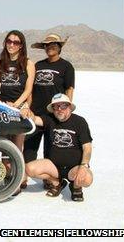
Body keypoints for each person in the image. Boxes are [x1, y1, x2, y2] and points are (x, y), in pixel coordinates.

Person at [23, 34, 74, 189]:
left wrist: (68, 109)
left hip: (55, 114)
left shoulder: (66, 66)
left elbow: (69, 89)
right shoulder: (37, 65)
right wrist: (27, 106)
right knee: (30, 145)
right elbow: (30, 88)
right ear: (44, 48)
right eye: (47, 45)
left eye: (54, 44)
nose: (50, 47)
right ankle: (23, 177)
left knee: (51, 148)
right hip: (36, 113)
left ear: (59, 47)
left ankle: (49, 178)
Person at [21, 93, 93, 201]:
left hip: (74, 168)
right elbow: (34, 119)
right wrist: (27, 110)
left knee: (87, 179)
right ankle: (57, 182)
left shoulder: (79, 122)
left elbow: (87, 147)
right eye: (56, 106)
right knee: (29, 169)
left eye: (63, 106)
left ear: (69, 106)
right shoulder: (50, 119)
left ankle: (76, 187)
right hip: (53, 166)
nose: (59, 109)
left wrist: (83, 166)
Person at [0, 30, 35, 193]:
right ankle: (7, 177)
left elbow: (28, 89)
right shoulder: (0, 62)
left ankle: (18, 178)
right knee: (4, 144)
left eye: (16, 42)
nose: (11, 44)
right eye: (9, 41)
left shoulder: (28, 63)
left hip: (19, 106)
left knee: (17, 145)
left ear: (21, 45)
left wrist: (16, 105)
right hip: (3, 107)